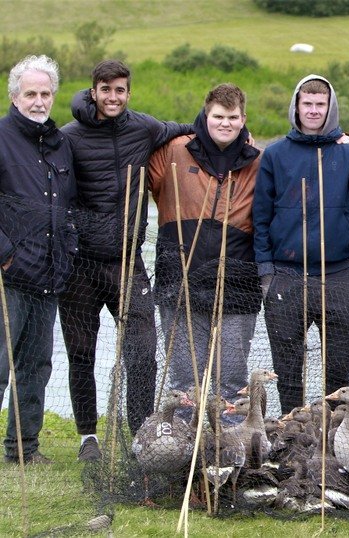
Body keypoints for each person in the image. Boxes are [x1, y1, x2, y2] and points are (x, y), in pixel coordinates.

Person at [59, 60, 192, 461]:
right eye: (106, 89)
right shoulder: (69, 136)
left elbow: (187, 128)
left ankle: (141, 432)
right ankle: (88, 437)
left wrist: (236, 131)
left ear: (128, 93)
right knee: (81, 351)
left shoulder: (144, 128)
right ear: (93, 91)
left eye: (120, 90)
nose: (113, 97)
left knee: (142, 348)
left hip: (127, 262)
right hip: (80, 265)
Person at [253, 75, 349, 414]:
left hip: (338, 278)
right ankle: (293, 434)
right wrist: (266, 272)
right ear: (297, 106)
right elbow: (260, 216)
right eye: (308, 104)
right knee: (288, 373)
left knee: (337, 373)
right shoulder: (275, 155)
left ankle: (334, 439)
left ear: (330, 108)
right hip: (286, 278)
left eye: (321, 104)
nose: (314, 111)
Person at [149, 83, 261, 419]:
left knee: (231, 381)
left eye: (232, 117)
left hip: (237, 287)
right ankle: (182, 456)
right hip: (178, 281)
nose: (225, 123)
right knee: (185, 382)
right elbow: (126, 149)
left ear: (243, 119)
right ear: (205, 115)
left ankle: (229, 458)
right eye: (218, 116)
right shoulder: (173, 150)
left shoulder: (259, 162)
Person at [0, 55, 78, 464]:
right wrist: (4, 255)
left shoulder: (60, 144)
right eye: (30, 93)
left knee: (36, 368)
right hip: (8, 276)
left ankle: (23, 448)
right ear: (15, 96)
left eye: (45, 93)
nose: (39, 101)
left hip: (48, 275)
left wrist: (69, 251)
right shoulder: (0, 137)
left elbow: (68, 206)